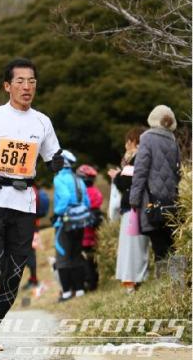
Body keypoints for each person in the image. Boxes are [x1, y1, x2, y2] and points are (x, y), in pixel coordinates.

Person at [0, 58, 64, 351]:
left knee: (14, 273)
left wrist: (57, 163)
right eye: (20, 81)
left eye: (31, 81)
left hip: (25, 203)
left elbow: (53, 157)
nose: (26, 87)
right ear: (7, 86)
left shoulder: (43, 122)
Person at [129, 106, 181, 275]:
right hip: (173, 201)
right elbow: (179, 171)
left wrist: (134, 199)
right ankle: (178, 283)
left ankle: (163, 286)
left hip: (152, 201)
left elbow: (140, 171)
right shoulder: (173, 141)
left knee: (158, 245)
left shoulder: (147, 139)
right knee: (174, 243)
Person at [108, 127, 149, 293]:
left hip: (135, 208)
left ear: (135, 141)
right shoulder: (134, 159)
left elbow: (127, 183)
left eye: (128, 141)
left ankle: (134, 280)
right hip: (133, 208)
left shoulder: (139, 158)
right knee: (131, 246)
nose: (126, 145)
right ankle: (132, 280)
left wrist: (117, 177)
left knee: (133, 246)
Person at [53, 150, 90, 302]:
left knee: (62, 257)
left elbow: (65, 197)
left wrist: (58, 211)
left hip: (64, 222)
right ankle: (80, 290)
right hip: (81, 221)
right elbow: (86, 202)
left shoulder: (58, 179)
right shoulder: (78, 179)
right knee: (76, 255)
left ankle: (67, 292)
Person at [77, 164, 103, 291]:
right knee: (92, 257)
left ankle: (88, 282)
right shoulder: (96, 192)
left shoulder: (82, 193)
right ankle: (95, 281)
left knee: (84, 257)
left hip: (83, 229)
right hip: (94, 230)